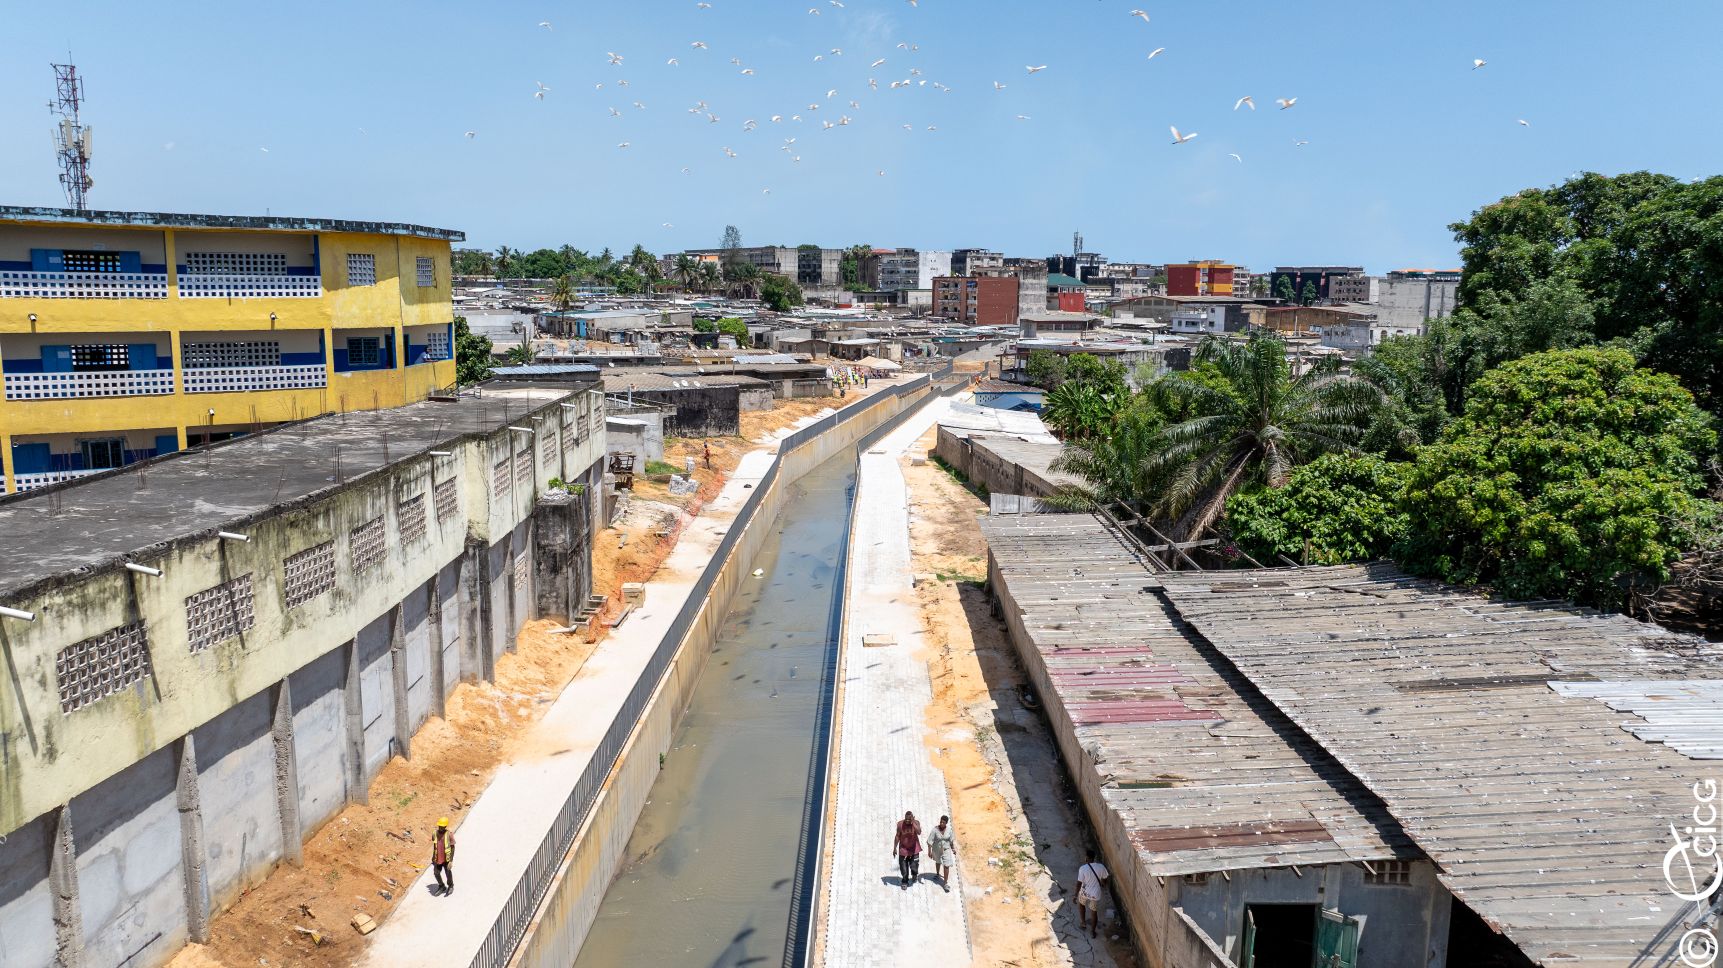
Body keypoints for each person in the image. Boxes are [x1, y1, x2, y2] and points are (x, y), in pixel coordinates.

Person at [1074, 852, 1109, 937]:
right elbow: (1105, 879)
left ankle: (1083, 923)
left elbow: (1079, 883)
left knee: (1082, 905)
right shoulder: (1101, 867)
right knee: (1094, 912)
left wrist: (1075, 895)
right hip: (1095, 894)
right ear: (1094, 857)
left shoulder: (1083, 868)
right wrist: (1103, 883)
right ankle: (1093, 931)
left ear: (1087, 858)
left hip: (1084, 892)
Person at [892, 811, 922, 890]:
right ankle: (905, 880)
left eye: (909, 819)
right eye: (906, 819)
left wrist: (913, 823)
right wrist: (894, 848)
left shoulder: (916, 823)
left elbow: (919, 832)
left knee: (914, 865)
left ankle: (914, 874)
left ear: (912, 818)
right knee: (903, 867)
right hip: (903, 849)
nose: (907, 821)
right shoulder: (900, 824)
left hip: (914, 848)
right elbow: (897, 836)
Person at [926, 815, 956, 891]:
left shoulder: (949, 830)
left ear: (946, 823)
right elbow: (930, 841)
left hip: (946, 849)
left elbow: (951, 840)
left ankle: (945, 883)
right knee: (938, 862)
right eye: (941, 822)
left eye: (943, 822)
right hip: (937, 849)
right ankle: (937, 874)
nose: (941, 823)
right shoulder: (935, 830)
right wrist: (929, 851)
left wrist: (953, 849)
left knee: (946, 865)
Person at [432, 817, 456, 896]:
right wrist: (433, 857)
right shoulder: (435, 833)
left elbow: (452, 847)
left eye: (442, 826)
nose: (440, 828)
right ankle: (442, 886)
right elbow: (434, 845)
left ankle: (451, 886)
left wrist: (451, 861)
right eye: (439, 826)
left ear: (445, 826)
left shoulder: (449, 834)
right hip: (438, 858)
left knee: (448, 872)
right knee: (436, 873)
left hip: (446, 859)